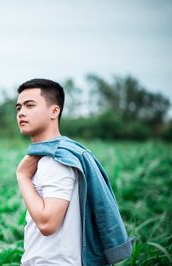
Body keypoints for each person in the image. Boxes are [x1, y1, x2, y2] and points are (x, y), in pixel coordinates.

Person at [15, 78, 133, 265]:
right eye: (19, 107)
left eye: (30, 105)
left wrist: (22, 176)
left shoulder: (55, 160)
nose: (22, 112)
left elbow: (47, 223)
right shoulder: (57, 155)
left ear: (54, 111)